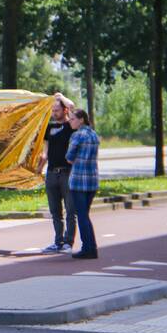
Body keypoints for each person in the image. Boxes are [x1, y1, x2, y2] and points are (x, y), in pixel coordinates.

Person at [39, 92, 77, 254]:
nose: (54, 113)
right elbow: (45, 153)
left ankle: (68, 242)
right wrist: (39, 168)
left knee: (70, 210)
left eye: (57, 110)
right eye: (52, 110)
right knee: (55, 211)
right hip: (52, 173)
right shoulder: (49, 128)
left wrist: (60, 97)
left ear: (64, 111)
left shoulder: (70, 126)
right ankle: (58, 241)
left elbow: (72, 106)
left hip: (68, 173)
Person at [65, 108, 100, 259]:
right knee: (85, 214)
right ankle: (91, 246)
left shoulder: (77, 135)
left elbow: (69, 157)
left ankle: (88, 248)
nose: (70, 121)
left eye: (72, 119)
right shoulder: (93, 134)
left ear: (81, 120)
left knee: (82, 215)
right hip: (92, 179)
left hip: (79, 180)